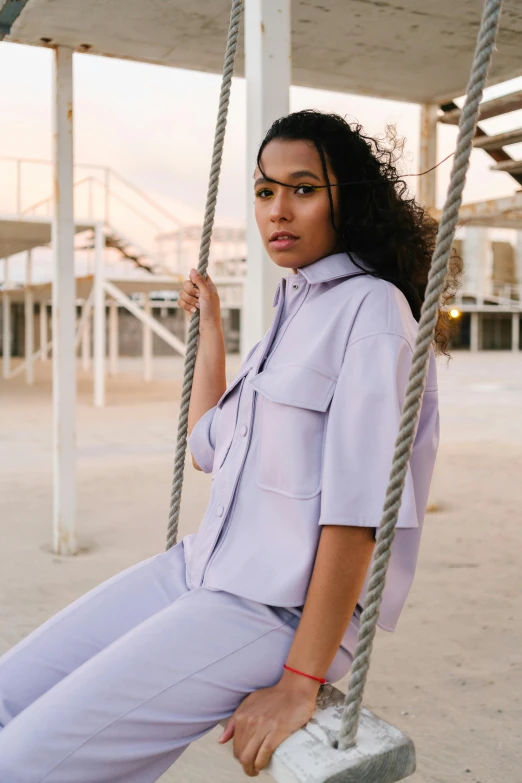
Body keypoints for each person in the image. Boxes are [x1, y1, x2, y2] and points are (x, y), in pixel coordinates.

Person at [0, 110, 454, 782]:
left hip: (268, 607)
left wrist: (300, 679)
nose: (279, 210)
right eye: (266, 191)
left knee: (23, 763)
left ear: (347, 197)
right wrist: (211, 326)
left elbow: (360, 519)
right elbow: (207, 445)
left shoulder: (373, 313)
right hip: (198, 568)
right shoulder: (292, 304)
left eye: (304, 188)